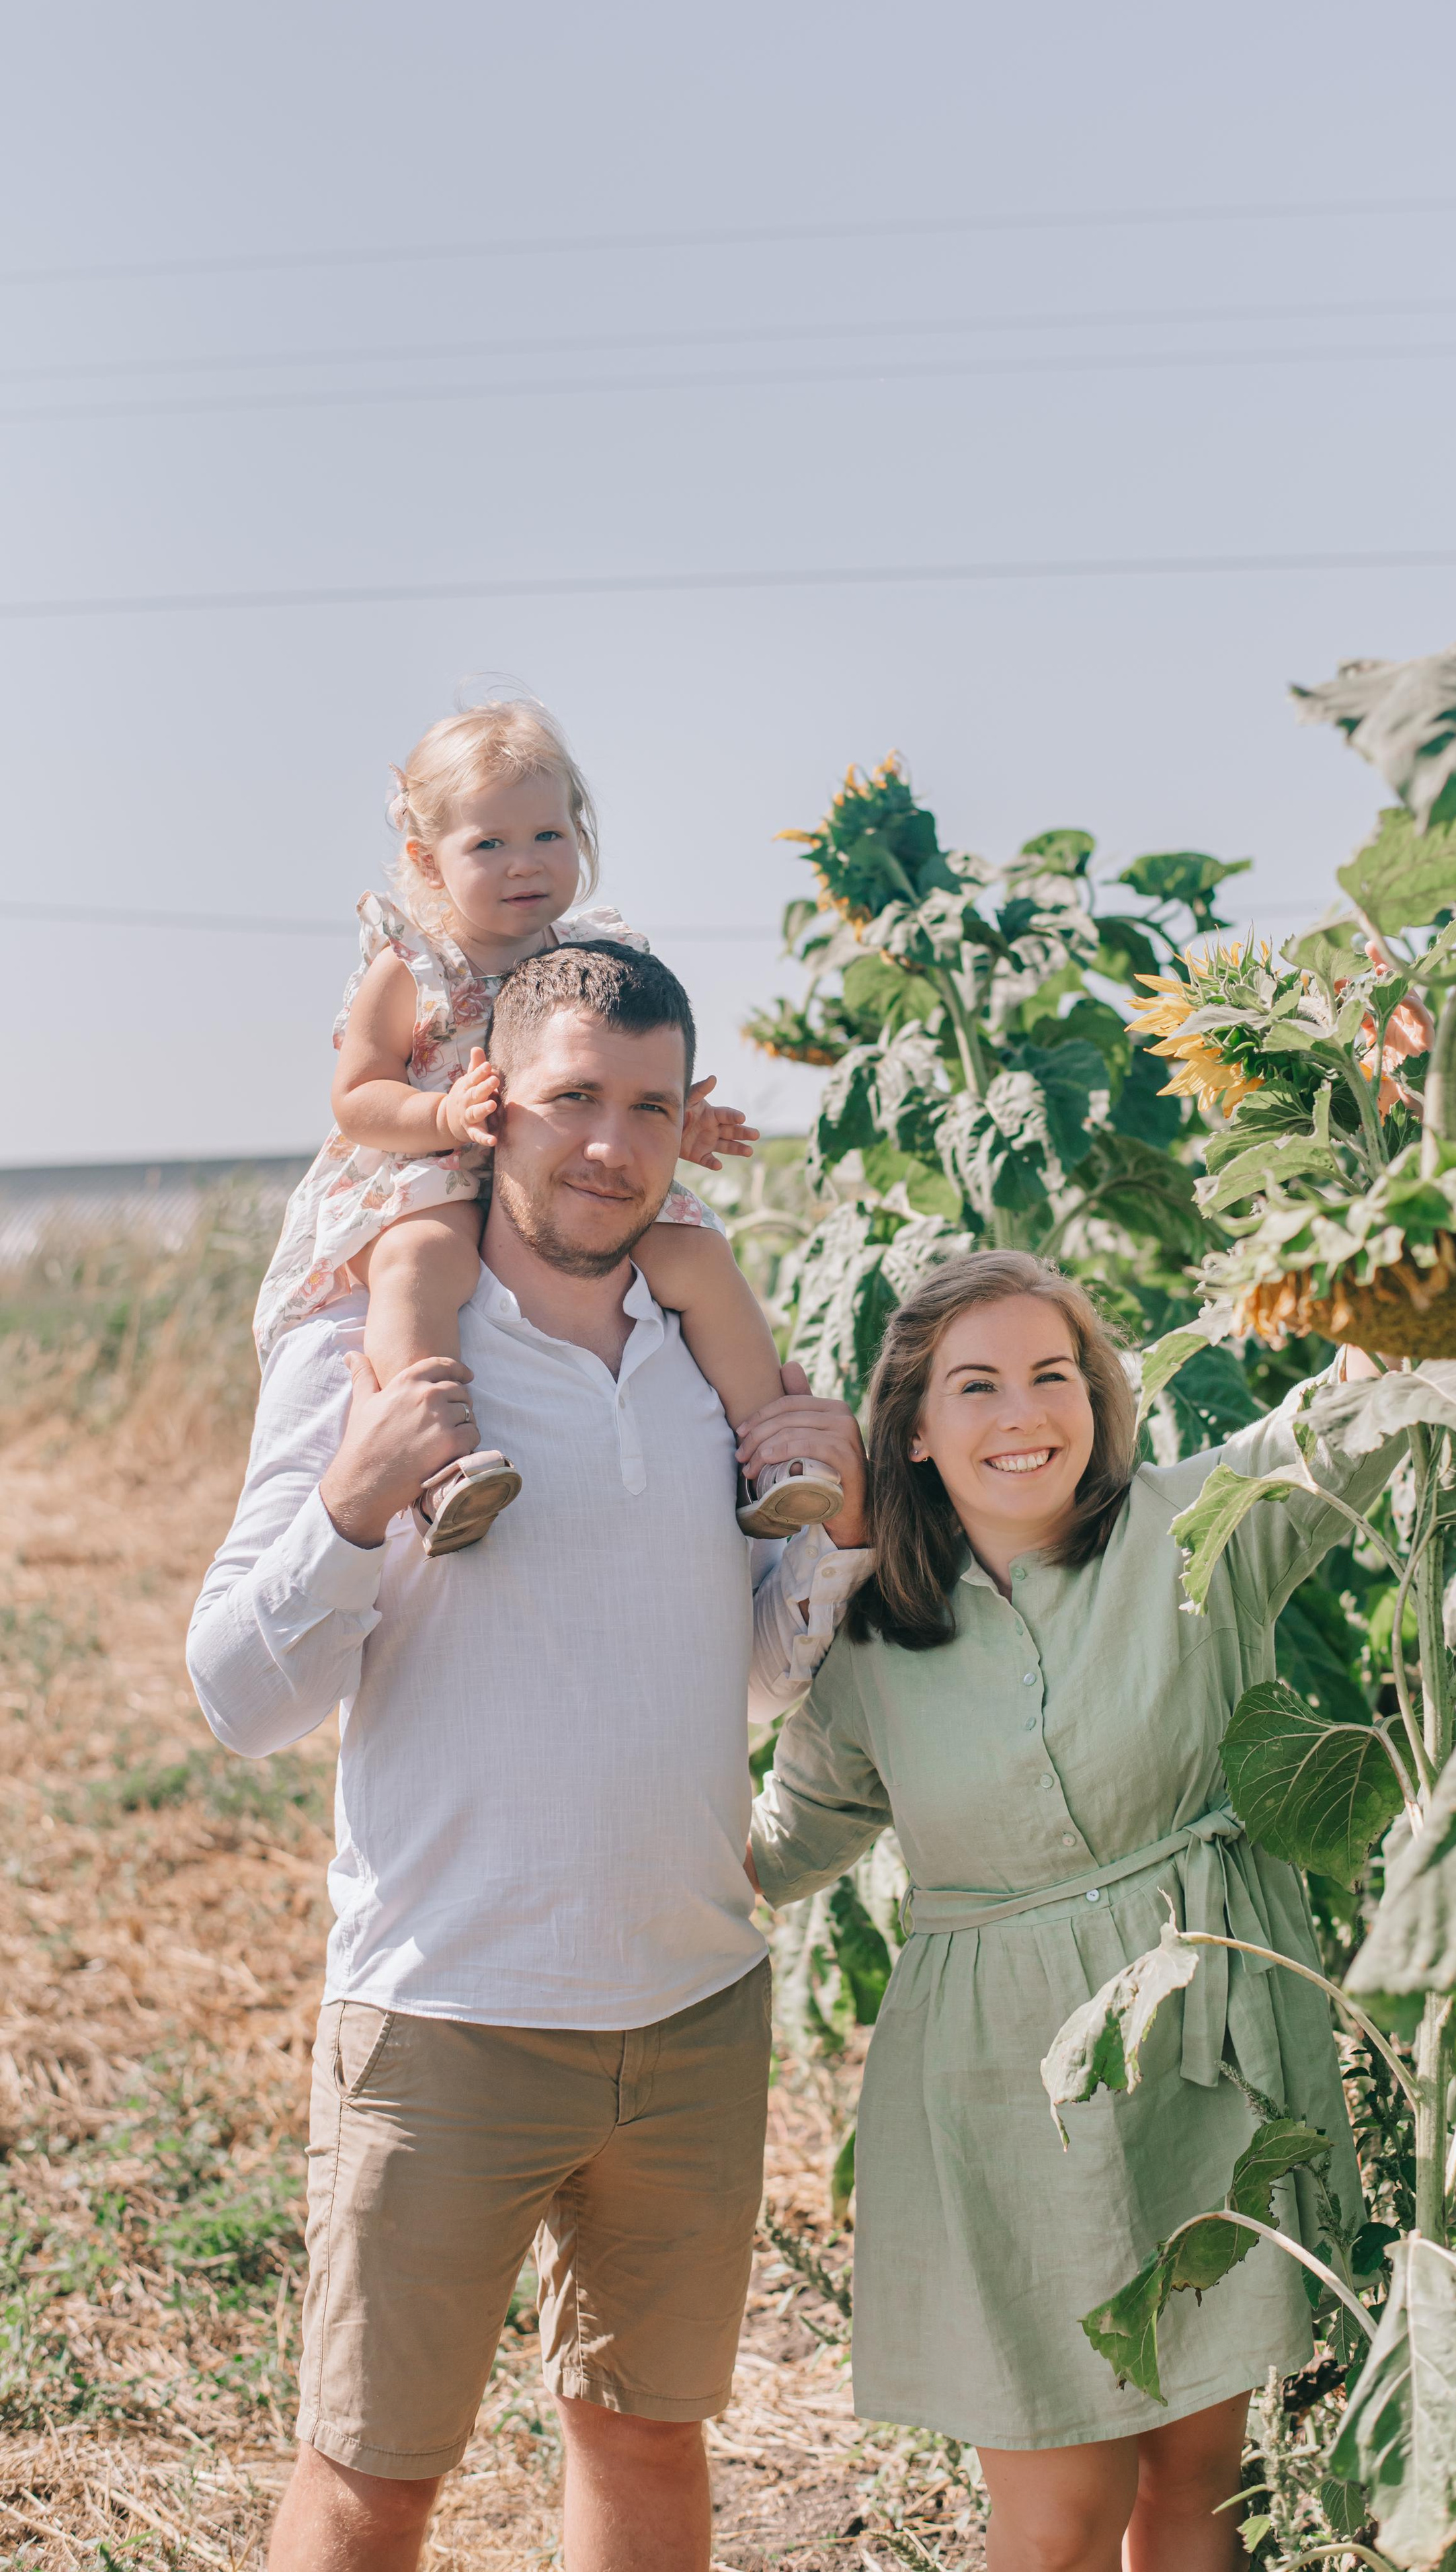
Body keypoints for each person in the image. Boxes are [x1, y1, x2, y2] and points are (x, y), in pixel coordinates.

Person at [189, 938, 871, 2572]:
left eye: (648, 1103)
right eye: (571, 1095)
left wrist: (836, 1530)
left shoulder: (713, 1362)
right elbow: (234, 1694)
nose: (608, 1143)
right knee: (371, 2480)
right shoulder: (372, 1344)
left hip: (692, 2004)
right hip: (444, 2013)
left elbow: (764, 1673)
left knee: (646, 2448)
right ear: (491, 1101)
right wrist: (354, 1507)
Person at [748, 1252, 1404, 2572]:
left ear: (1100, 1399)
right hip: (1000, 2098)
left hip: (1206, 2053)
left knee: (1201, 2488)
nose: (1022, 1415)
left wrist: (1411, 1262)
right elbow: (792, 1836)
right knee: (1055, 2515)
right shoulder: (869, 1634)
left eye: (1054, 1376)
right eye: (975, 1386)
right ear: (915, 1431)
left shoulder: (1194, 1524)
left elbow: (1348, 1429)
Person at [253, 696, 843, 1554]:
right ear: (428, 858)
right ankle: (437, 1460)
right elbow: (357, 1095)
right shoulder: (414, 965)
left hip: (572, 1171)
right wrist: (439, 1112)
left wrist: (679, 1121)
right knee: (419, 1262)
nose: (523, 863)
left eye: (548, 837)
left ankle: (772, 1452)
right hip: (443, 1166)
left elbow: (619, 1079)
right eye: (488, 844)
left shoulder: (592, 955)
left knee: (699, 1257)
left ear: (581, 836)